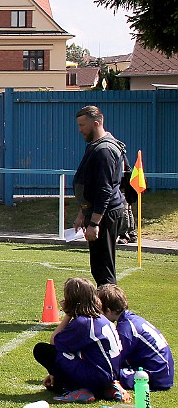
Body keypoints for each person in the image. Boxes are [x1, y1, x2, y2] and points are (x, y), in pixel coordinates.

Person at [33, 278, 128, 403]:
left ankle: (79, 390)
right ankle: (106, 388)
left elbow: (54, 342)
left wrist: (68, 314)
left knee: (42, 350)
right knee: (56, 384)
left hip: (97, 375)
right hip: (108, 375)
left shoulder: (83, 322)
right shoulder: (101, 318)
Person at [73, 105, 128, 286]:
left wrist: (94, 223)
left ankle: (112, 310)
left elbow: (104, 190)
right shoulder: (96, 146)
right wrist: (83, 213)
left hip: (106, 214)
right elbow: (91, 185)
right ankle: (107, 308)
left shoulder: (103, 150)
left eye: (82, 126)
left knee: (103, 269)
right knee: (99, 266)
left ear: (96, 123)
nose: (80, 130)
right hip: (99, 211)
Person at [97, 284, 173, 391]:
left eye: (100, 311)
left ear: (108, 310)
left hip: (155, 376)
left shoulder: (126, 328)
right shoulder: (132, 320)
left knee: (106, 373)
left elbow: (115, 359)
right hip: (162, 372)